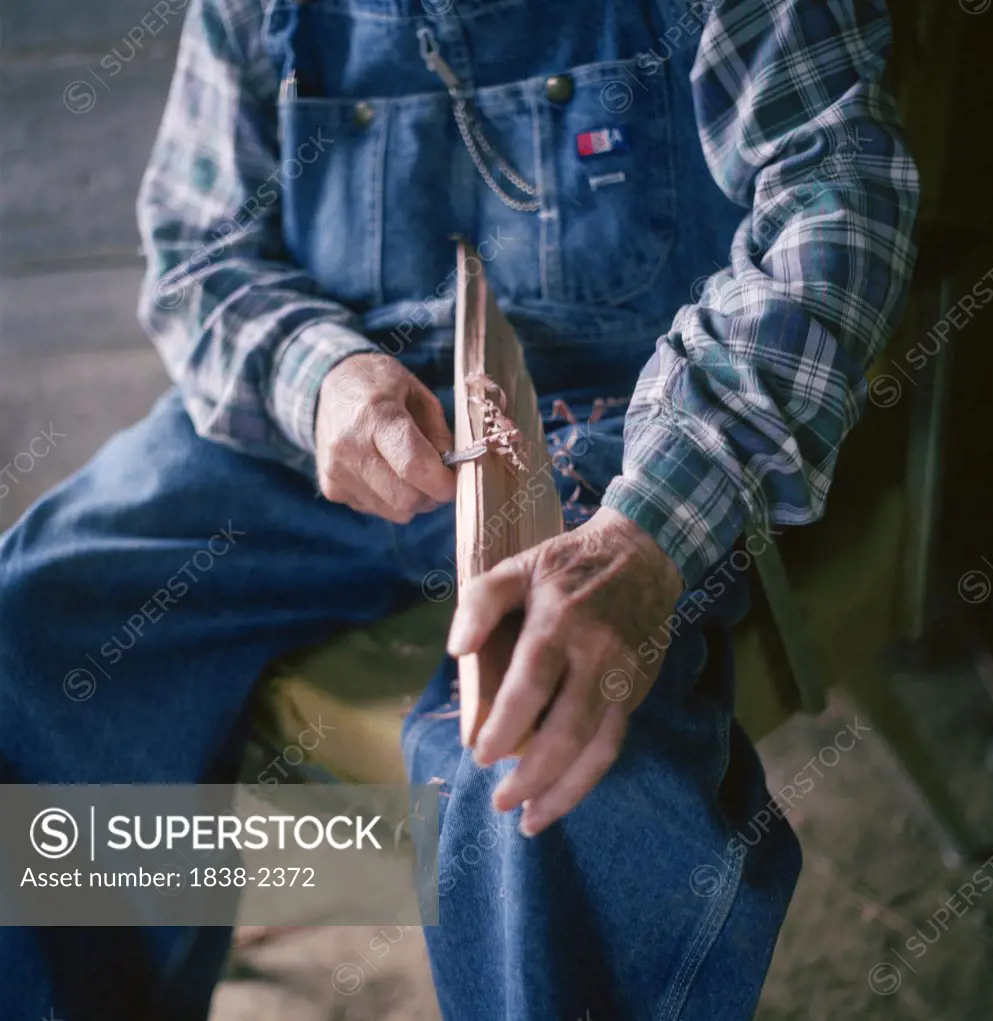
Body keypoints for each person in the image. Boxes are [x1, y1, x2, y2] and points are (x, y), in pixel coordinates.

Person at [0, 0, 918, 1017]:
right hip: (325, 418)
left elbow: (835, 198)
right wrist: (321, 378)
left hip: (627, 430)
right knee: (29, 622)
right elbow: (197, 247)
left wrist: (647, 532)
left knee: (540, 771)